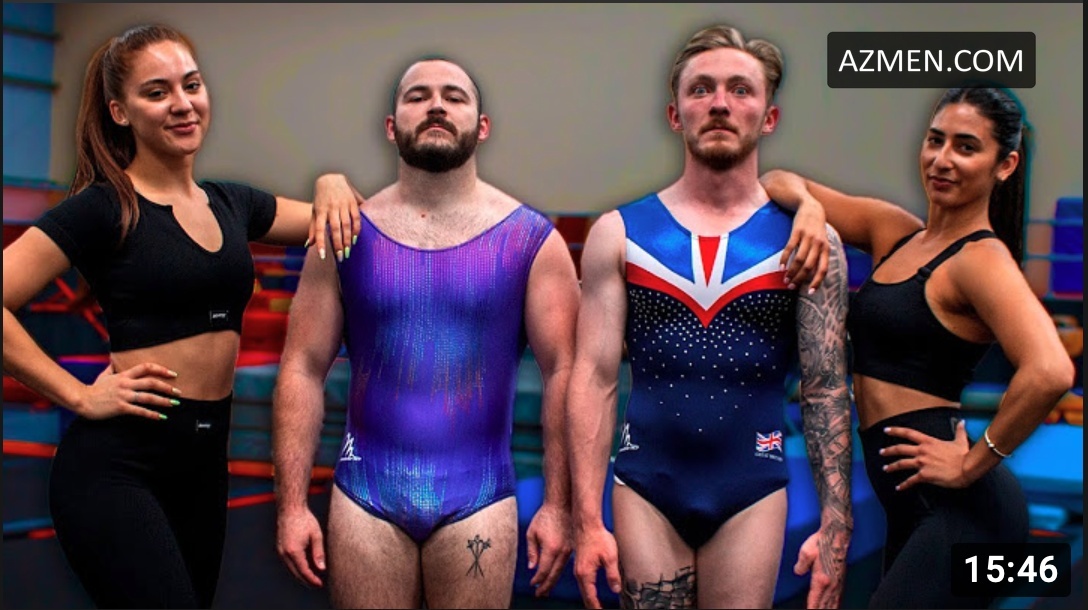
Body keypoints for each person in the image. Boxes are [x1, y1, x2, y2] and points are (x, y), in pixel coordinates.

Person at [1, 24, 361, 609]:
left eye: (191, 85)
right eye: (157, 92)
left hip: (203, 467)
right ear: (120, 112)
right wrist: (78, 395)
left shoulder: (233, 203)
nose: (183, 103)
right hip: (118, 467)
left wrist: (331, 180)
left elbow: (345, 220)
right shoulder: (105, 208)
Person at [271, 56, 580, 609]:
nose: (436, 105)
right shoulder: (344, 234)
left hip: (479, 499)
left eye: (454, 97)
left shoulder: (531, 240)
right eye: (417, 96)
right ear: (392, 126)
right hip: (365, 496)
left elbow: (565, 373)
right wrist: (291, 506)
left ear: (482, 127)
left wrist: (560, 506)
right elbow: (302, 366)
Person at [568, 24, 853, 609]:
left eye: (740, 90)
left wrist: (835, 524)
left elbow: (826, 387)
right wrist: (585, 520)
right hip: (646, 487)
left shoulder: (809, 242)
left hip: (751, 490)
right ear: (675, 115)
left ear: (769, 117)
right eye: (701, 89)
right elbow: (593, 378)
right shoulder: (618, 234)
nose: (720, 103)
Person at [761, 86, 1075, 608]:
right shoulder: (897, 234)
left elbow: (1050, 370)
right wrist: (810, 210)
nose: (942, 159)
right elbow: (776, 181)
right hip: (913, 505)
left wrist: (972, 464)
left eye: (966, 147)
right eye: (935, 140)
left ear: (1005, 165)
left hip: (964, 513)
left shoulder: (981, 260)